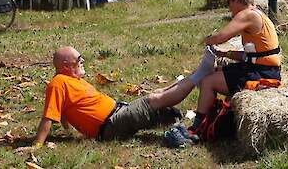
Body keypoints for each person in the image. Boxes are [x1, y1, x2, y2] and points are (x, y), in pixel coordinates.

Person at [30, 45, 217, 144]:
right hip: (110, 126)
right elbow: (48, 117)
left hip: (117, 114)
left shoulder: (68, 80)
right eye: (78, 59)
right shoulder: (58, 83)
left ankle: (197, 75)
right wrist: (37, 145)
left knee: (158, 94)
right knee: (153, 100)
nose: (82, 60)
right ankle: (201, 73)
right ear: (65, 66)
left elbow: (62, 111)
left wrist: (68, 131)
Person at [193, 0, 281, 130]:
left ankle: (199, 125)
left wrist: (206, 40)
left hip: (263, 73)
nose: (229, 8)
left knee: (208, 81)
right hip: (264, 68)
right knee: (216, 71)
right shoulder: (257, 14)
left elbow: (221, 37)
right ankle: (214, 115)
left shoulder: (247, 14)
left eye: (229, 3)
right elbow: (253, 55)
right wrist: (225, 54)